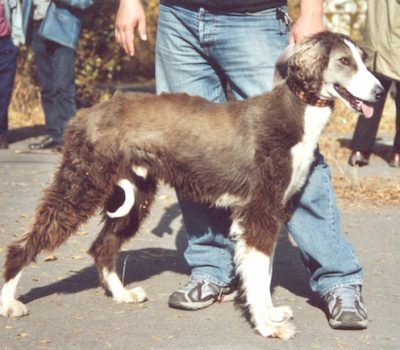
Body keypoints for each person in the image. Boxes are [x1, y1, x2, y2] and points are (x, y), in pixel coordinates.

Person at [115, 0, 368, 330]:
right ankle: (212, 268)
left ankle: (337, 279)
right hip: (179, 17)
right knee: (192, 150)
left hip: (254, 17)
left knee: (292, 147)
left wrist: (312, 11)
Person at [22, 0, 93, 150]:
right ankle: (54, 135)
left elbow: (85, 2)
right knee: (46, 87)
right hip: (37, 26)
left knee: (63, 86)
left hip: (62, 29)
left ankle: (71, 140)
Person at [348, 0, 400, 168]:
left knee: (371, 99)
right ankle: (398, 153)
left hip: (375, 45)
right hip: (395, 46)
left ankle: (359, 150)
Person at [0, 0, 24, 149]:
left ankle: (1, 134)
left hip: (5, 46)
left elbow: (17, 15)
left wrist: (16, 42)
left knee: (3, 92)